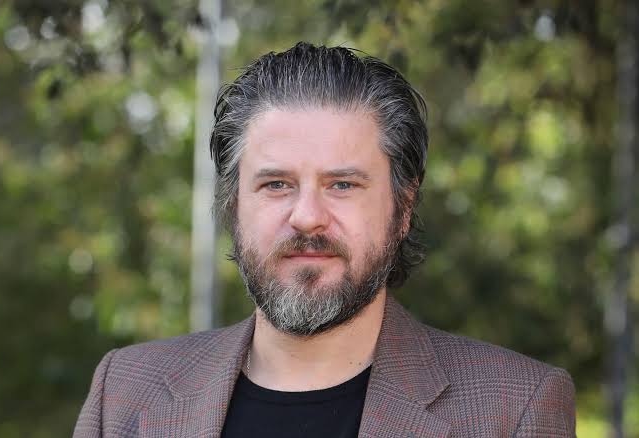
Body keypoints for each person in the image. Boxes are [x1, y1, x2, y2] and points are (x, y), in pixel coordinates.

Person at [73, 42, 575, 438]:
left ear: (403, 208)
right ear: (234, 204)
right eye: (276, 184)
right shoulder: (124, 391)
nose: (307, 217)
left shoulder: (514, 409)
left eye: (342, 185)